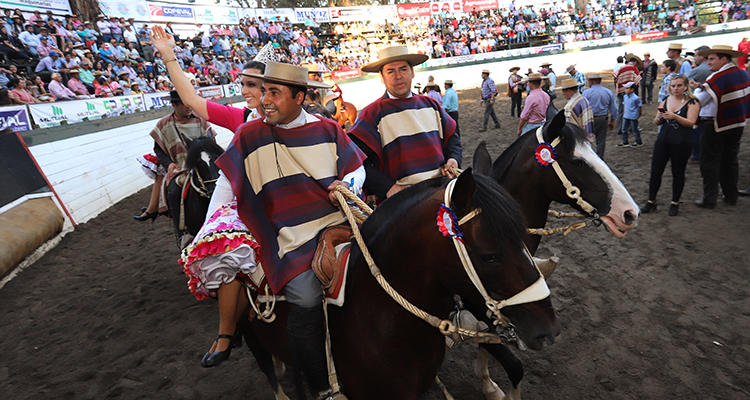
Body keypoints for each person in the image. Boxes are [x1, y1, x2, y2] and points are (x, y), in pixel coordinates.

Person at [214, 61, 364, 400]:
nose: (264, 100)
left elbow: (355, 168)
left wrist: (347, 185)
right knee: (306, 297)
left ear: (299, 97)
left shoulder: (328, 129)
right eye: (263, 91)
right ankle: (321, 388)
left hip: (338, 222)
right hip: (287, 237)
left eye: (274, 93)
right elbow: (226, 184)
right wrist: (211, 229)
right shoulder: (247, 135)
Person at [348, 45, 459, 201]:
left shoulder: (431, 104)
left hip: (441, 192)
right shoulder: (371, 114)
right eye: (390, 71)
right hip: (402, 203)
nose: (398, 76)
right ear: (382, 77)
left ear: (412, 72)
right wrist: (388, 188)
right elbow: (356, 160)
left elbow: (452, 137)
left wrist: (453, 159)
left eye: (403, 69)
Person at [693, 45, 750, 209]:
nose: (708, 62)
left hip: (715, 125)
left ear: (723, 59)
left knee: (709, 162)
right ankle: (730, 195)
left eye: (712, 59)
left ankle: (710, 198)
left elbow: (700, 100)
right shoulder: (742, 73)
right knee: (730, 160)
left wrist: (696, 90)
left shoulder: (717, 77)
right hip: (737, 123)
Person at [643, 75, 700, 216]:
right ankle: (651, 201)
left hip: (682, 142)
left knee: (678, 172)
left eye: (679, 85)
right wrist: (659, 118)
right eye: (673, 86)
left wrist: (675, 116)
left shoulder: (693, 102)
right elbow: (657, 122)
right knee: (656, 171)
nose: (675, 89)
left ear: (686, 86)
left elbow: (691, 122)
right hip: (663, 140)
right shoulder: (665, 101)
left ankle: (675, 202)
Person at [687, 45, 713, 164]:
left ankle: (697, 155)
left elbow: (686, 88)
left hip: (699, 103)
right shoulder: (713, 69)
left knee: (696, 131)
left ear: (702, 56)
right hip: (712, 106)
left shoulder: (697, 70)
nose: (695, 58)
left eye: (696, 55)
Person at [583, 72, 617, 158]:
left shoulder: (586, 93)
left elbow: (582, 108)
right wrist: (612, 121)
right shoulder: (608, 92)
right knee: (601, 140)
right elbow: (614, 109)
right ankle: (600, 157)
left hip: (590, 119)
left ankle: (590, 157)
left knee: (587, 139)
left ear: (592, 82)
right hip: (603, 118)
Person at [614, 54, 641, 136]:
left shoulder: (622, 68)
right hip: (630, 91)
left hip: (620, 90)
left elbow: (615, 76)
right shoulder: (634, 69)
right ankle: (631, 128)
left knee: (621, 110)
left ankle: (620, 129)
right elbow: (637, 81)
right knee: (632, 109)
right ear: (635, 62)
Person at [618, 82, 643, 147]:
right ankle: (625, 141)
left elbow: (639, 106)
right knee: (624, 129)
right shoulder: (625, 97)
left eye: (627, 88)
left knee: (635, 129)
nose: (625, 90)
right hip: (627, 115)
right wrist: (624, 113)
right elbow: (624, 105)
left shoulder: (635, 98)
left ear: (632, 89)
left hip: (633, 116)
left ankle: (638, 141)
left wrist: (639, 114)